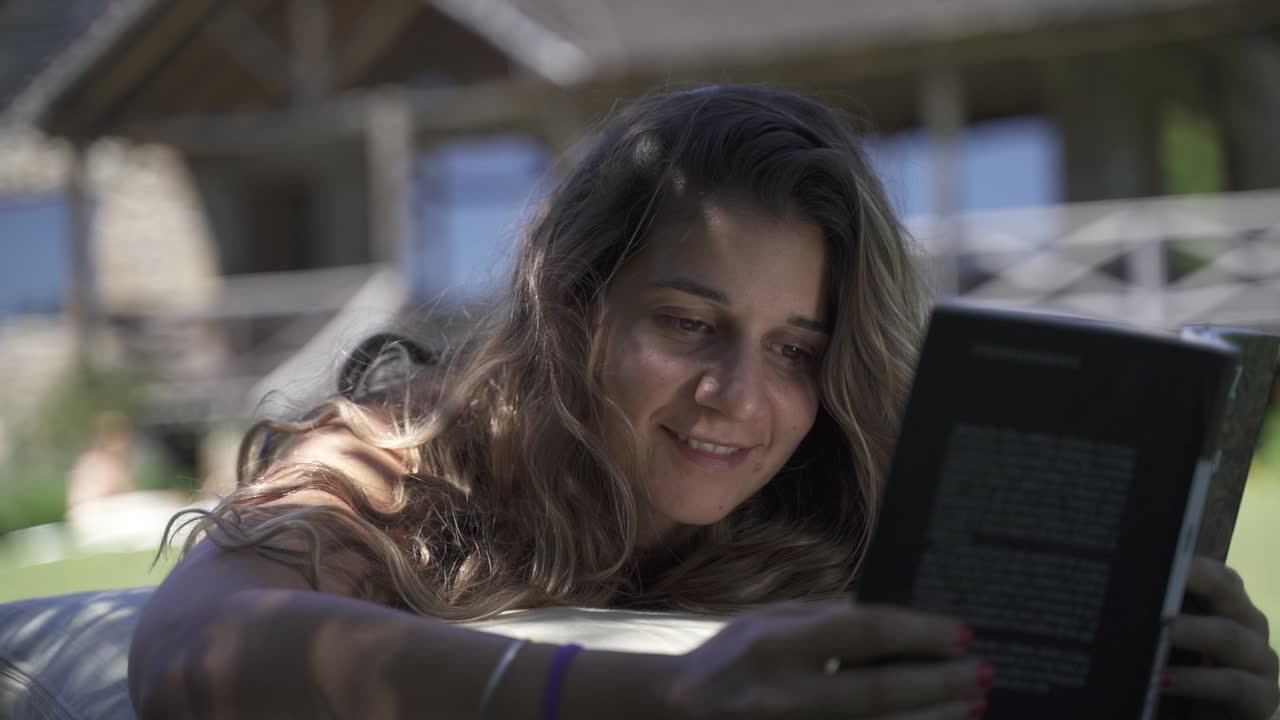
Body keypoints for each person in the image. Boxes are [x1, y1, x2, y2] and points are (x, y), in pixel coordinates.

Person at [128, 85, 1279, 720]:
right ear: (577, 306)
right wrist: (660, 693)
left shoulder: (858, 496)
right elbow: (190, 642)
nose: (738, 397)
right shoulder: (417, 456)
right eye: (687, 323)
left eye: (794, 349)